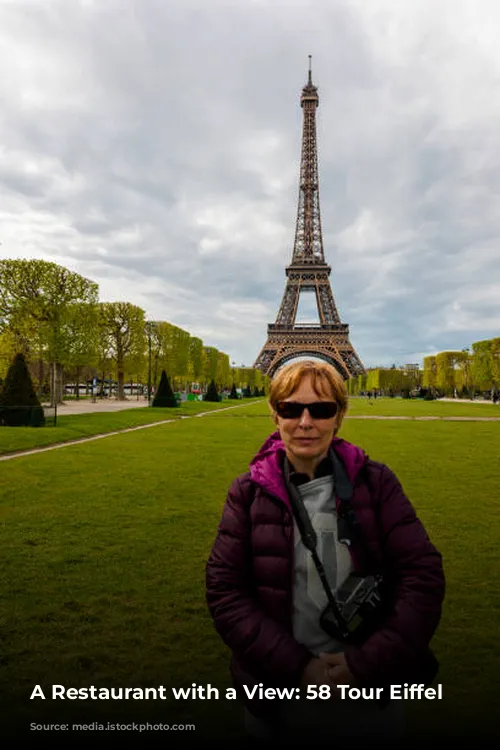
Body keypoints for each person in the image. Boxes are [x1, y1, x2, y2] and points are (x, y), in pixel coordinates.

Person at [206, 360, 445, 745]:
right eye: (290, 408)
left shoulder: (378, 483)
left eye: (321, 409)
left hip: (367, 691)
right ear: (274, 414)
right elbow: (225, 592)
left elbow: (422, 577)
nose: (305, 421)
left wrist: (363, 666)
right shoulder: (246, 493)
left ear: (339, 416)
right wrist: (299, 670)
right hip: (281, 692)